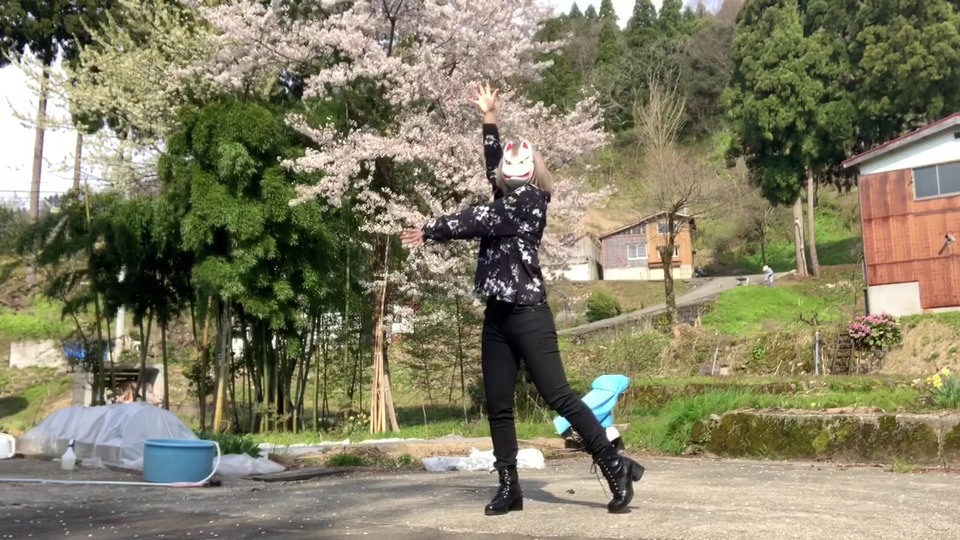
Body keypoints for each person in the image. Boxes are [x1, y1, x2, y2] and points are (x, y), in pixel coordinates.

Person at [401, 84, 644, 515]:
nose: (509, 172)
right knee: (498, 404)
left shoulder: (530, 201)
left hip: (529, 312)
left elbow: (479, 217)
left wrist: (432, 229)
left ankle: (613, 465)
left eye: (519, 167)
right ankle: (509, 487)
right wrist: (489, 117)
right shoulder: (506, 194)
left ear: (533, 172)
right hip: (497, 314)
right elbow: (494, 166)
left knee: (559, 396)